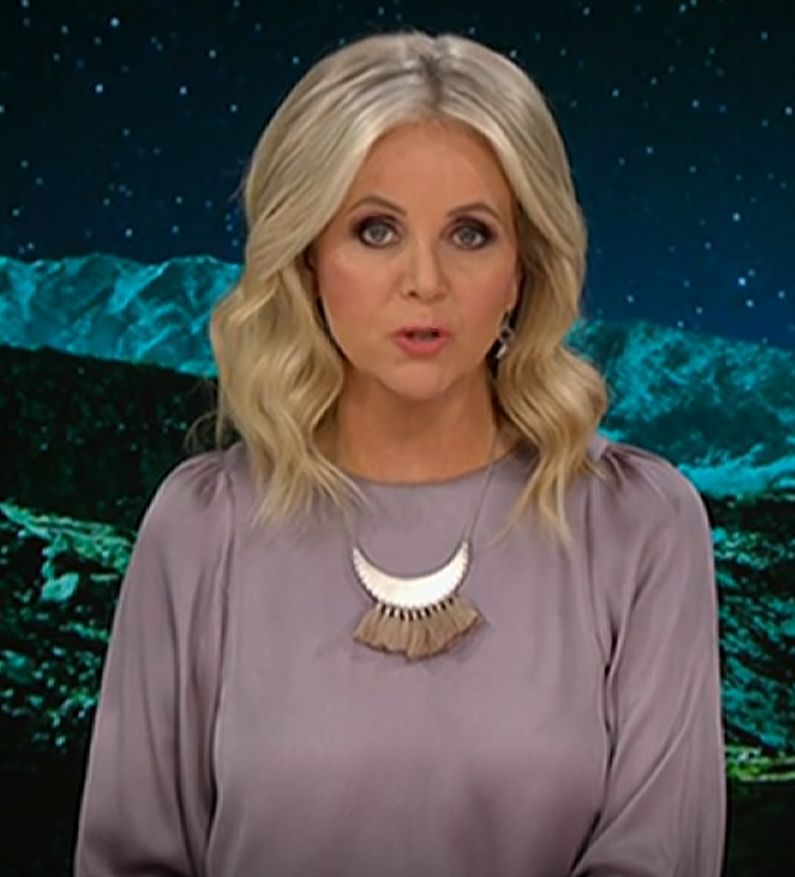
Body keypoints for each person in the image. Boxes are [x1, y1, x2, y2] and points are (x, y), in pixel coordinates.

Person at [73, 28, 726, 877]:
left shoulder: (639, 525)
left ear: (522, 268)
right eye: (376, 230)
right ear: (309, 258)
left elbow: (659, 856)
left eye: (470, 234)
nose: (424, 280)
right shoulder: (203, 526)